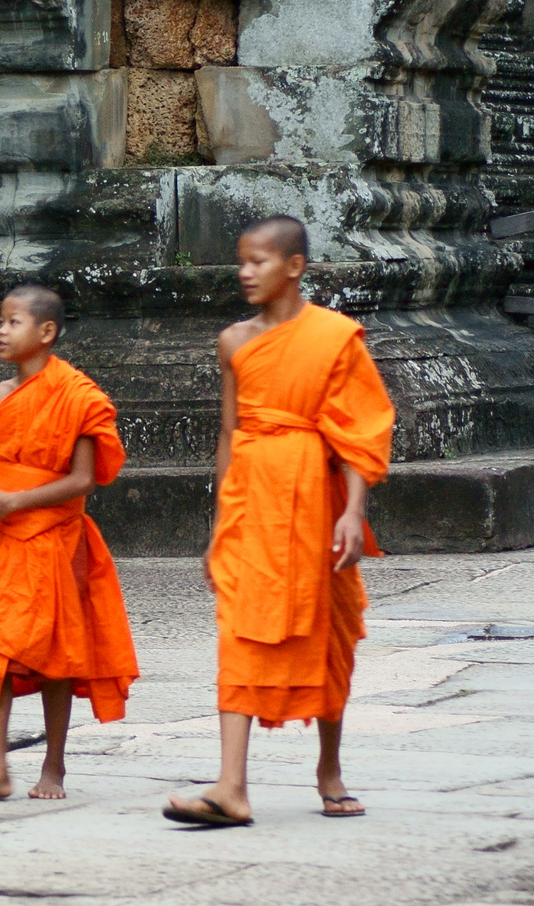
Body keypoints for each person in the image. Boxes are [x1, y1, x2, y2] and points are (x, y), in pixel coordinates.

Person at [165, 215, 395, 828]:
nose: (244, 272)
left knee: (327, 635)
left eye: (258, 261)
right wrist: (218, 522)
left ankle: (330, 769)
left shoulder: (336, 338)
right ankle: (231, 785)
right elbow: (230, 432)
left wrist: (352, 512)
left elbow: (358, 433)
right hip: (251, 497)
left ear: (293, 267)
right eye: (240, 261)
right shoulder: (234, 341)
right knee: (237, 629)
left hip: (315, 498)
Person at [0, 284, 138, 801]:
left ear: (47, 332)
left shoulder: (78, 395)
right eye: (0, 321)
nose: (0, 331)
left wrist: (19, 502)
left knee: (57, 657)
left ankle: (53, 767)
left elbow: (84, 480)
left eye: (13, 322)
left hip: (56, 539)